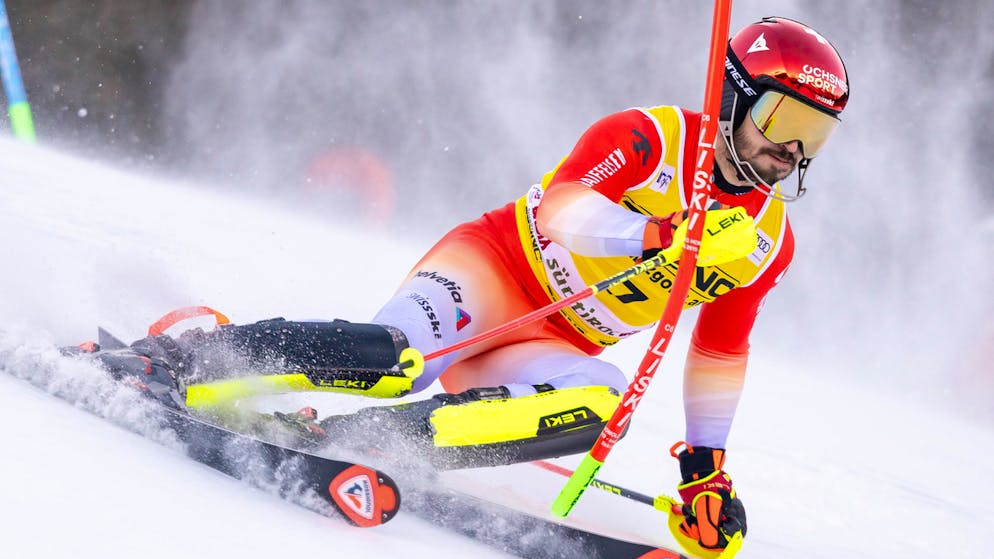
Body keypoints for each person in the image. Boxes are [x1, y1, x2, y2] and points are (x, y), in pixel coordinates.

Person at [73, 16, 848, 556]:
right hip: (497, 270)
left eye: (812, 136)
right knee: (399, 357)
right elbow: (565, 209)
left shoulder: (766, 242)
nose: (789, 151)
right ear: (735, 95)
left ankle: (374, 445)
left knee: (598, 401)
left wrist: (704, 470)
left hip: (560, 338)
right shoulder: (651, 138)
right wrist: (657, 236)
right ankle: (188, 358)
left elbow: (721, 348)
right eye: (782, 118)